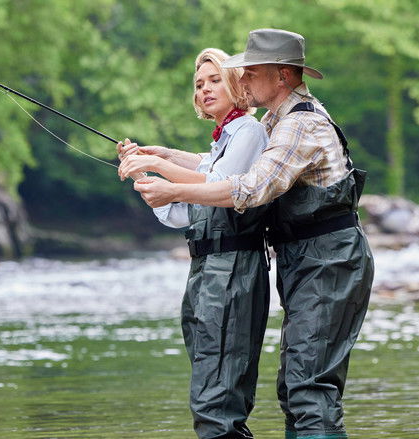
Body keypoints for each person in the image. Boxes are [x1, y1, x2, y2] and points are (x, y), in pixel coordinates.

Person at [123, 29, 375, 439]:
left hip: (331, 259)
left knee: (309, 387)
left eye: (251, 72)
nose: (242, 80)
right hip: (308, 260)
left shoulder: (299, 126)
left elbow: (250, 187)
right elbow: (218, 162)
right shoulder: (276, 121)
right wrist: (166, 156)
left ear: (282, 76)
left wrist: (172, 188)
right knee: (296, 387)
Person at [118, 48, 271, 439]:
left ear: (237, 83)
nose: (205, 89)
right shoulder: (224, 138)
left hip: (233, 268)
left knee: (217, 396)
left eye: (215, 79)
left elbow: (221, 183)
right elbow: (182, 212)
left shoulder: (249, 131)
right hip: (205, 271)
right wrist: (149, 178)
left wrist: (162, 169)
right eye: (199, 84)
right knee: (209, 381)